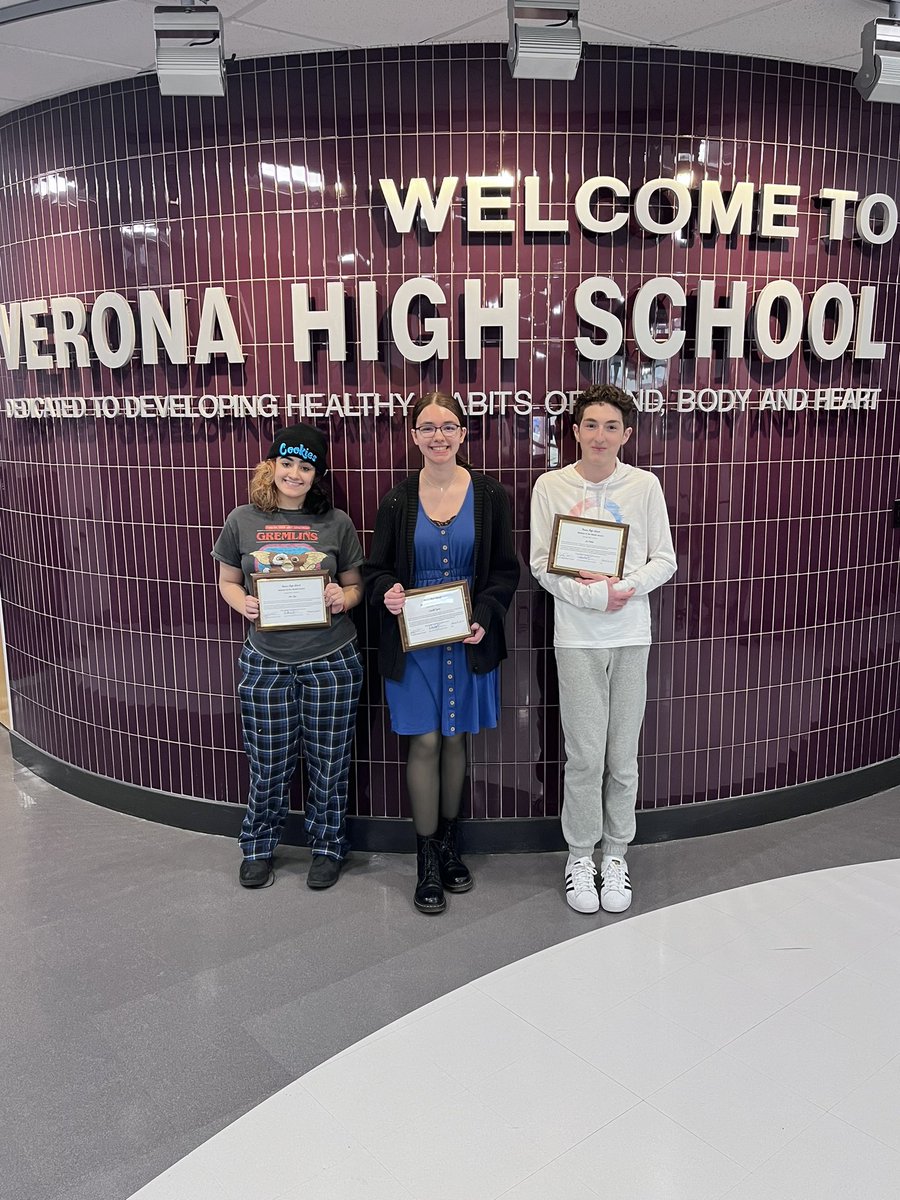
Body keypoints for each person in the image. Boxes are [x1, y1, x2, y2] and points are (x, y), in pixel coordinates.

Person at [364, 393, 520, 913]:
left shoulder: (492, 495)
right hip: (413, 642)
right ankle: (426, 856)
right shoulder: (397, 499)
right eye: (427, 427)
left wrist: (486, 615)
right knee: (425, 743)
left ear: (463, 433)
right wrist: (387, 589)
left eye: (448, 426)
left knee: (456, 742)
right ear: (413, 435)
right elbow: (375, 569)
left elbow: (504, 572)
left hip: (467, 636)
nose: (438, 436)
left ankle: (451, 848)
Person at [530, 384, 676, 914]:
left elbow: (665, 559)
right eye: (590, 424)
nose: (599, 435)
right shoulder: (551, 486)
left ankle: (616, 854)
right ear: (574, 431)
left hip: (631, 634)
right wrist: (593, 594)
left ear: (627, 434)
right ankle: (579, 857)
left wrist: (626, 589)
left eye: (611, 426)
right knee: (585, 756)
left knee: (622, 757)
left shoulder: (644, 486)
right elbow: (542, 564)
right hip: (577, 638)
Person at [212, 423, 365, 891]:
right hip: (266, 658)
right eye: (287, 463)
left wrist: (344, 597)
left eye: (305, 466)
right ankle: (258, 846)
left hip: (332, 657)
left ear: (316, 474)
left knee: (329, 760)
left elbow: (357, 585)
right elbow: (227, 581)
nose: (294, 473)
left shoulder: (336, 522)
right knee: (269, 761)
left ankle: (327, 847)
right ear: (272, 465)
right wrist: (244, 604)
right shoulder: (242, 519)